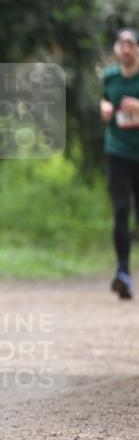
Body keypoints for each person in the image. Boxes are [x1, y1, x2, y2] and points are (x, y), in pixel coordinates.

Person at [100, 24, 139, 299]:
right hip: (118, 151)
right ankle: (123, 272)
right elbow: (105, 101)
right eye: (121, 45)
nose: (125, 50)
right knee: (121, 209)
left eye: (131, 45)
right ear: (116, 49)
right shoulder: (110, 77)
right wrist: (104, 107)